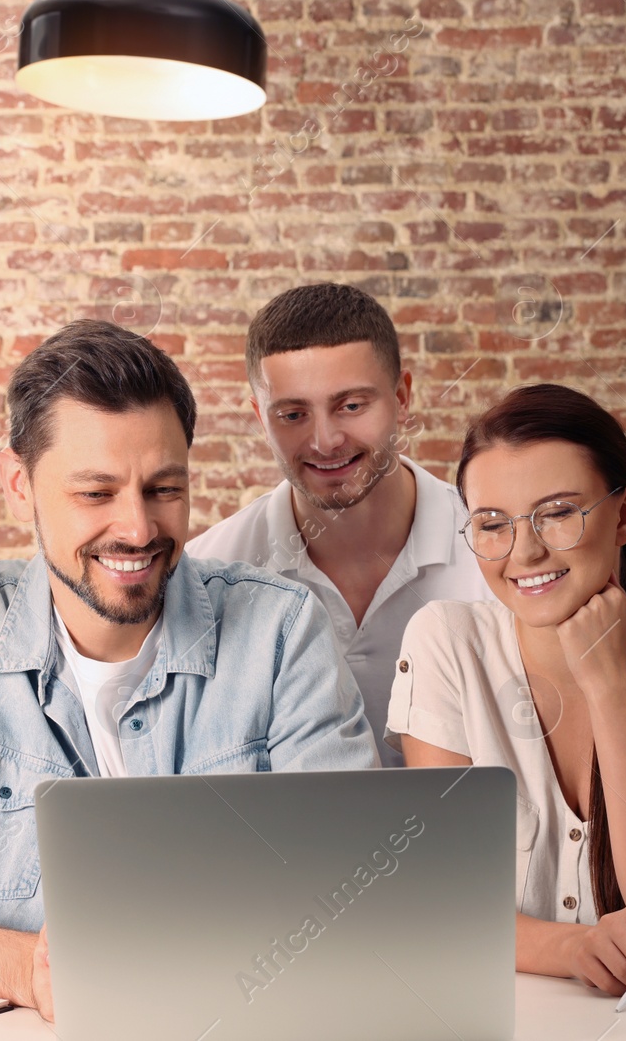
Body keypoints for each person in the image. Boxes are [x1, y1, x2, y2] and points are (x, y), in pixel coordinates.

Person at [0, 320, 379, 1021]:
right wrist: (31, 971)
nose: (138, 528)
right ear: (18, 485)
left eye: (164, 488)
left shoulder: (281, 630)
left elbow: (352, 892)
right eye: (95, 493)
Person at [388, 383, 626, 997]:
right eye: (492, 524)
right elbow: (444, 902)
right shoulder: (445, 645)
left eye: (558, 513)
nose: (524, 552)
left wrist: (609, 683)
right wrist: (572, 948)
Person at [187, 282, 491, 767]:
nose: (325, 441)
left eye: (351, 406)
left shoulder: (496, 550)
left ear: (402, 397)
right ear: (259, 418)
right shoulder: (206, 572)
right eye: (292, 414)